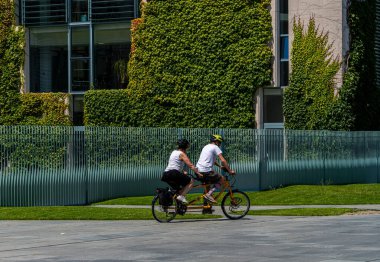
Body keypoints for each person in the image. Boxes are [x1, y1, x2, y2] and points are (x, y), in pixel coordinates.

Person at [196, 134, 235, 203]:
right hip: (206, 171)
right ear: (215, 141)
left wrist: (220, 166)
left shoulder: (206, 147)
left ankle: (206, 208)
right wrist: (229, 170)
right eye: (219, 142)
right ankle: (209, 195)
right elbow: (223, 160)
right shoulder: (215, 147)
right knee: (222, 180)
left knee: (207, 186)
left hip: (198, 170)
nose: (220, 144)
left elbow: (212, 161)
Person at [161, 139, 202, 204]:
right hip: (174, 173)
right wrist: (198, 173)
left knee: (180, 190)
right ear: (186, 146)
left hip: (166, 174)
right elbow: (190, 165)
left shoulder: (174, 152)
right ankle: (182, 196)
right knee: (191, 181)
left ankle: (178, 205)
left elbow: (174, 164)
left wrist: (182, 171)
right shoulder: (182, 154)